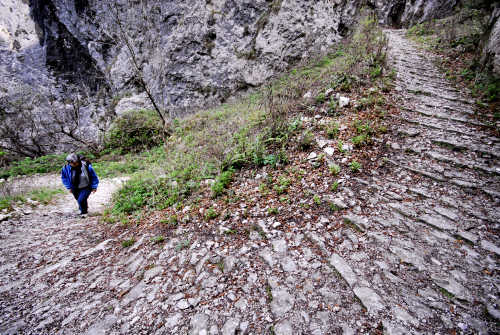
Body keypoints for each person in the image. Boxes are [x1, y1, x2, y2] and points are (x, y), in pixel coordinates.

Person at [61, 153, 99, 218]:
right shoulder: (65, 168)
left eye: (77, 162)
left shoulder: (86, 166)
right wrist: (68, 187)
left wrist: (94, 186)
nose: (76, 164)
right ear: (69, 163)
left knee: (80, 200)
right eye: (74, 163)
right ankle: (84, 209)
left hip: (86, 186)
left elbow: (94, 177)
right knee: (79, 199)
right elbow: (64, 177)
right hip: (74, 187)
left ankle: (84, 212)